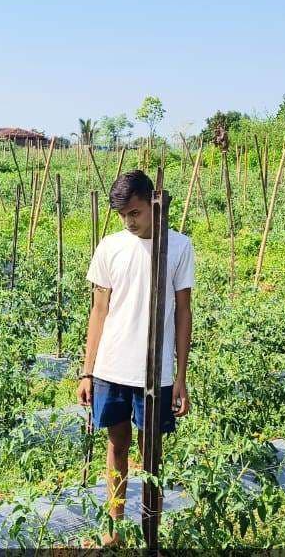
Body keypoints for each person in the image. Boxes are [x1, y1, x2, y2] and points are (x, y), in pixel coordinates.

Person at [77, 169, 194, 545]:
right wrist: (87, 371)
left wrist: (180, 376)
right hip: (112, 367)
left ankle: (150, 530)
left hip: (155, 372)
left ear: (154, 205)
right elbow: (98, 310)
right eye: (123, 214)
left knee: (152, 452)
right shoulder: (110, 246)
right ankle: (114, 528)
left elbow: (183, 312)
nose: (129, 221)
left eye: (136, 212)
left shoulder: (178, 246)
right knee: (116, 444)